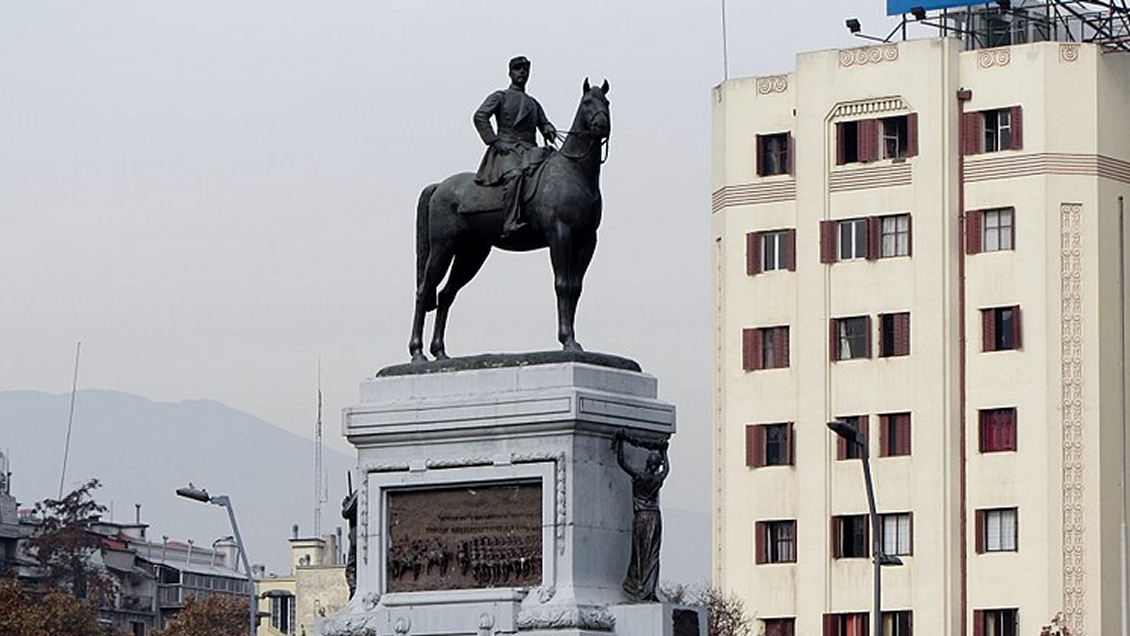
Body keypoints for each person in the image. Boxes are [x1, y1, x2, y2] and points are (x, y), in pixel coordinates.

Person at [473, 55, 557, 238]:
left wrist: (549, 129)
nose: (522, 72)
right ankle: (510, 221)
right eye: (518, 69)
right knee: (515, 176)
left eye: (525, 69)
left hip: (530, 151)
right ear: (510, 73)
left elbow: (544, 123)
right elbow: (480, 116)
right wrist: (495, 141)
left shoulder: (533, 103)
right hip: (507, 150)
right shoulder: (500, 96)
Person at [614, 431, 669, 602]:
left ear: (647, 463)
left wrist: (621, 443)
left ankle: (642, 589)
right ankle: (649, 590)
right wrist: (664, 451)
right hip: (656, 517)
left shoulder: (639, 477)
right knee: (653, 555)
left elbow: (622, 462)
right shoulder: (657, 479)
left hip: (642, 518)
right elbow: (667, 469)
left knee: (641, 554)